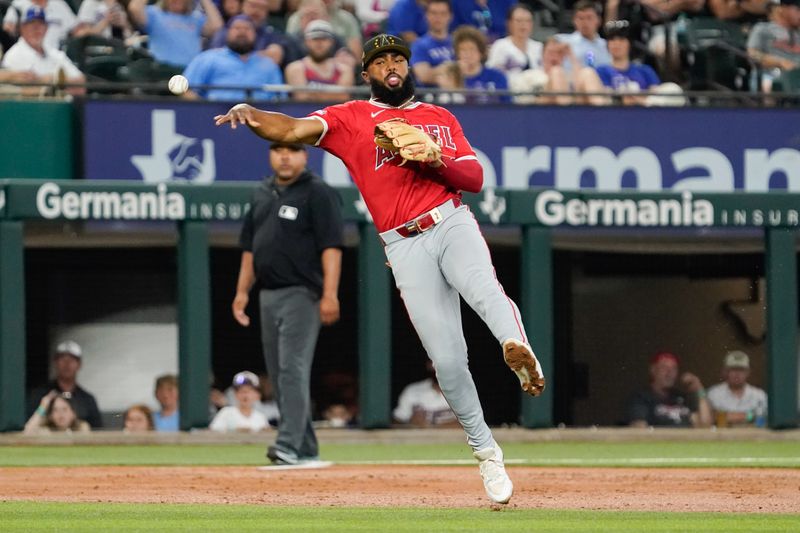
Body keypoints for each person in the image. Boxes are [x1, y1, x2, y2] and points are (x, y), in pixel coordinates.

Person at [214, 32, 545, 504]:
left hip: (448, 220)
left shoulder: (438, 117)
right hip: (402, 245)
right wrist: (252, 115)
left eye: (398, 58)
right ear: (367, 72)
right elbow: (288, 130)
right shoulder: (351, 118)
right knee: (448, 362)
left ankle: (518, 348)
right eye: (381, 59)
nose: (391, 64)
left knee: (483, 289)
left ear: (407, 68)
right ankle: (487, 452)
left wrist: (436, 157)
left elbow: (473, 178)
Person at [230, 139, 344, 464]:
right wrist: (242, 292)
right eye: (278, 149)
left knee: (291, 368)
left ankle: (289, 444)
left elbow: (331, 247)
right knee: (279, 374)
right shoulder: (262, 191)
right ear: (269, 154)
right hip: (267, 292)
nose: (284, 156)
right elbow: (250, 248)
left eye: (292, 150)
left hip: (301, 292)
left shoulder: (317, 192)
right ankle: (304, 446)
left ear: (305, 155)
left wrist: (330, 293)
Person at [182, 14, 285, 101]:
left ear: (255, 35)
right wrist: (204, 111)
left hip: (258, 119)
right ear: (227, 32)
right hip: (216, 118)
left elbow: (280, 98)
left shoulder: (268, 65)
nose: (242, 32)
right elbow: (187, 90)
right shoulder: (208, 58)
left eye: (247, 28)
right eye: (237, 28)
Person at [1, 6, 87, 96]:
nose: (36, 29)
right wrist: (60, 86)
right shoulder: (14, 55)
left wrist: (51, 80)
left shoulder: (55, 54)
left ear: (46, 28)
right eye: (31, 24)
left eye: (40, 24)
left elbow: (81, 81)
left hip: (61, 107)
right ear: (22, 28)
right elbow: (22, 92)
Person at [596, 20, 684, 106]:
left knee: (673, 89)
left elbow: (655, 92)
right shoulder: (601, 71)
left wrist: (637, 99)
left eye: (621, 39)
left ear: (629, 43)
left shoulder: (644, 70)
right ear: (607, 44)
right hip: (614, 113)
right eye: (612, 40)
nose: (616, 44)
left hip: (646, 113)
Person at [128, 0, 224, 70]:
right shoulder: (154, 13)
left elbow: (217, 26)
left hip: (188, 71)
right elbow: (135, 8)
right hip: (161, 70)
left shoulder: (196, 18)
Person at [627, 351, 713, 428]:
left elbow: (705, 425)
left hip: (686, 444)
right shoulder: (641, 397)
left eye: (673, 368)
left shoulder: (682, 397)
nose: (669, 372)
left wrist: (700, 389)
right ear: (653, 370)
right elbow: (639, 428)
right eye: (664, 367)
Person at [27, 340, 102, 428]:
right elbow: (27, 430)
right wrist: (43, 407)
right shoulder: (40, 395)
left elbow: (98, 432)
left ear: (79, 364)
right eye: (62, 359)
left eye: (72, 360)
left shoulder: (88, 399)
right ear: (55, 363)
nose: (67, 364)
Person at [207, 0, 300, 70]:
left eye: (262, 8)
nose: (256, 11)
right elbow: (215, 58)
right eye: (253, 6)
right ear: (242, 7)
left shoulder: (272, 35)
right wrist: (259, 56)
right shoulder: (226, 31)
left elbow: (274, 57)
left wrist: (235, 56)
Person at [284, 19, 355, 101]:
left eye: (323, 39)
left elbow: (343, 97)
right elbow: (303, 98)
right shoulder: (295, 68)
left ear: (331, 42)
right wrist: (334, 93)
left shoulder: (344, 69)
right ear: (306, 42)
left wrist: (312, 92)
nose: (319, 43)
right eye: (315, 39)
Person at [747, 0, 800, 93]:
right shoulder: (763, 29)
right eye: (798, 10)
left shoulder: (798, 34)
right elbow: (752, 54)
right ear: (784, 8)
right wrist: (779, 62)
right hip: (774, 75)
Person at [707, 351, 768, 427]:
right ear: (725, 371)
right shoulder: (714, 393)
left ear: (748, 372)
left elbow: (765, 419)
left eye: (741, 369)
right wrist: (750, 416)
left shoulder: (759, 395)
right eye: (733, 369)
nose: (737, 374)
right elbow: (711, 418)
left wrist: (731, 417)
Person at [452, 24, 510, 103]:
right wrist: (460, 77)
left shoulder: (497, 76)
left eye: (472, 49)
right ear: (457, 53)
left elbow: (508, 105)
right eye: (463, 50)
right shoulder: (452, 77)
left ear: (481, 52)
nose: (468, 54)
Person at [486, 4, 543, 83]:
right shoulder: (500, 46)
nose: (523, 25)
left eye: (527, 21)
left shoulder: (539, 47)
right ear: (509, 23)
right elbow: (491, 74)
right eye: (519, 21)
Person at [393, 360, 459, 427]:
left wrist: (430, 427)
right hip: (419, 437)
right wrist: (410, 423)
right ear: (429, 365)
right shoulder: (412, 391)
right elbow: (396, 421)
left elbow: (467, 426)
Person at [555, 0, 611, 70]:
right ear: (574, 21)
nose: (585, 22)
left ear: (599, 20)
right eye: (581, 18)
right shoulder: (562, 41)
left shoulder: (607, 46)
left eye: (589, 18)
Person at [409, 0, 454, 87]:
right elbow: (424, 76)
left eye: (443, 13)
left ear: (450, 16)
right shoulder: (419, 45)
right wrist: (452, 68)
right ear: (426, 16)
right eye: (434, 13)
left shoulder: (457, 43)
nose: (438, 17)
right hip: (431, 97)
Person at [2, 0, 78, 50]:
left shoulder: (59, 4)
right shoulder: (18, 4)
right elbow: (7, 27)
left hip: (58, 50)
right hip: (28, 50)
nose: (38, 27)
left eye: (41, 24)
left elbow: (76, 29)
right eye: (32, 23)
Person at [24, 391, 91, 435]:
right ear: (50, 415)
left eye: (64, 409)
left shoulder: (82, 428)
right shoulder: (45, 432)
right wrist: (43, 407)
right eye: (56, 410)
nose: (60, 414)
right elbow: (27, 433)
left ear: (73, 413)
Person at [450, 0, 515, 42]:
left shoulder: (507, 2)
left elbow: (516, 27)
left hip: (502, 50)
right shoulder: (456, 3)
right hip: (468, 51)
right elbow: (452, 32)